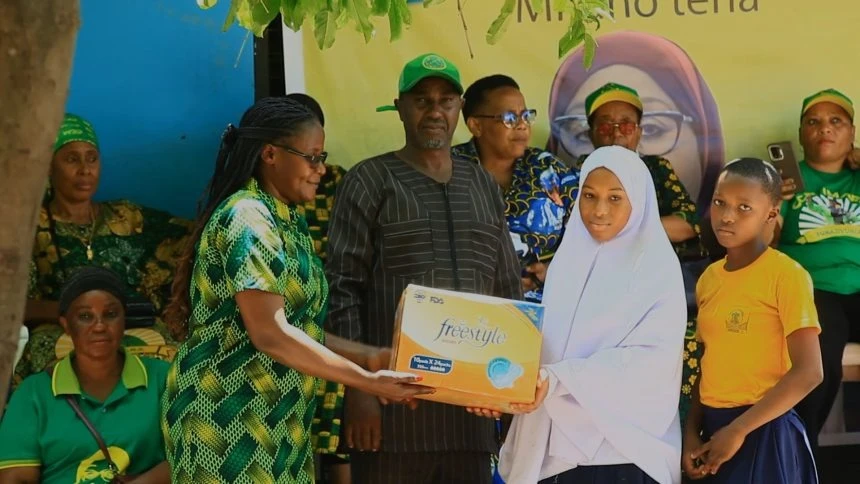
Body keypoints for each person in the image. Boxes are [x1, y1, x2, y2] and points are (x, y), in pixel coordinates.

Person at [161, 97, 431, 483]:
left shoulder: (288, 221)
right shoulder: (248, 218)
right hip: (225, 416)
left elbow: (300, 328)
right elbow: (271, 333)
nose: (320, 170)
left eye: (322, 157)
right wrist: (364, 381)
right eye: (312, 157)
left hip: (279, 418)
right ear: (270, 154)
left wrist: (372, 355)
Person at [326, 53, 522, 483]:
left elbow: (507, 289)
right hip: (393, 415)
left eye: (446, 100)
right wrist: (359, 390)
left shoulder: (481, 182)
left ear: (460, 110)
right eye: (422, 100)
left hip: (470, 416)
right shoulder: (370, 179)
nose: (435, 111)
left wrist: (509, 394)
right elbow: (342, 289)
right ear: (399, 107)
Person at [489, 146, 686, 484]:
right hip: (553, 454)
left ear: (638, 201)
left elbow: (652, 362)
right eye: (589, 196)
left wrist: (559, 379)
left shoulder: (656, 269)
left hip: (621, 452)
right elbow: (550, 345)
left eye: (615, 198)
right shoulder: (568, 261)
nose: (598, 211)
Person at [16, 113, 191, 385]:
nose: (85, 169)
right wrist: (77, 311)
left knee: (175, 366)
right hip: (62, 332)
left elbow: (194, 238)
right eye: (72, 159)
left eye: (92, 158)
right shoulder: (28, 228)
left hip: (134, 329)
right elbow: (14, 304)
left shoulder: (127, 217)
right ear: (49, 166)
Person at [683, 157, 822, 482]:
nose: (727, 216)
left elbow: (809, 372)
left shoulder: (786, 275)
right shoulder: (709, 279)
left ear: (771, 213)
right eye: (720, 203)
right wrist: (691, 430)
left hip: (765, 428)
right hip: (716, 432)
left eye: (744, 207)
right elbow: (706, 363)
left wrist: (740, 429)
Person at [0, 267, 171, 484]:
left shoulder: (163, 378)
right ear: (66, 325)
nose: (99, 326)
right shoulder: (33, 393)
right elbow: (16, 479)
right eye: (85, 316)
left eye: (110, 314)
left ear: (124, 319)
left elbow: (196, 454)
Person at [546, 30, 724, 213]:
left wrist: (633, 231)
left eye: (626, 126)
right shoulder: (581, 172)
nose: (616, 134)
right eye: (606, 127)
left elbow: (688, 223)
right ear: (591, 134)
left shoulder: (658, 170)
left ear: (639, 132)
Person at [775, 88, 860, 452]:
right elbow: (761, 243)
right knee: (820, 356)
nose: (824, 128)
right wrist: (775, 199)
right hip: (812, 288)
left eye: (835, 121)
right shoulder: (786, 180)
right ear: (801, 134)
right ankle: (798, 456)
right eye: (814, 122)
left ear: (852, 133)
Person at [452, 74, 579, 303]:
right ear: (476, 125)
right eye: (509, 118)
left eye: (526, 115)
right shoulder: (450, 169)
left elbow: (591, 230)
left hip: (543, 310)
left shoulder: (547, 168)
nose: (522, 125)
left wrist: (556, 270)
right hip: (467, 309)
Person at [285, 92, 352, 484]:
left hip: (335, 314)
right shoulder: (247, 207)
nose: (315, 165)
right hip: (284, 329)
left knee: (338, 431)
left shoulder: (340, 183)